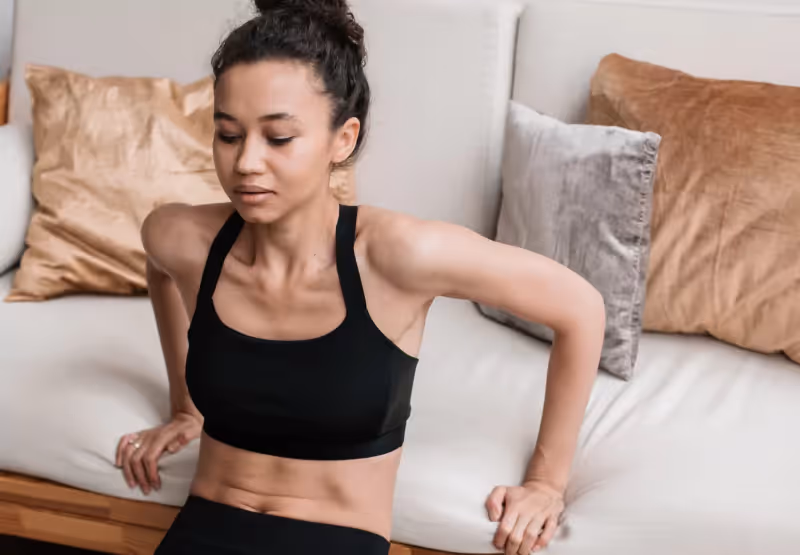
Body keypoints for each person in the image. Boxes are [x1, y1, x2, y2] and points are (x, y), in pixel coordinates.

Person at [114, 0, 605, 553]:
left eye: (278, 138)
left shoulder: (398, 256)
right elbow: (160, 267)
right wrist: (185, 408)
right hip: (207, 528)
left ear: (343, 139)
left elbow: (581, 309)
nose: (247, 162)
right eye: (228, 135)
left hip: (333, 537)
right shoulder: (183, 239)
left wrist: (546, 483)